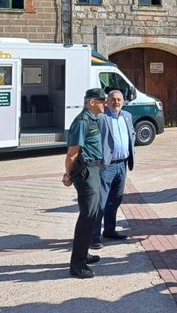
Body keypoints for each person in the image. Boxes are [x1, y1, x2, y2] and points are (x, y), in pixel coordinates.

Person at [63, 88, 107, 278]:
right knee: (87, 216)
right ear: (91, 102)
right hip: (86, 171)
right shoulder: (82, 121)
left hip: (94, 169)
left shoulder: (93, 119)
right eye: (101, 101)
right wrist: (68, 175)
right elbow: (72, 154)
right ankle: (77, 264)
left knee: (93, 212)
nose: (104, 103)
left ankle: (84, 254)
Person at [90, 90, 136, 250]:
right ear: (107, 101)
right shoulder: (102, 117)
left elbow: (132, 135)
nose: (116, 102)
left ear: (123, 101)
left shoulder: (127, 116)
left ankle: (109, 230)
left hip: (122, 164)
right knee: (101, 202)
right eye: (113, 99)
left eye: (119, 99)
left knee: (115, 200)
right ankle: (93, 236)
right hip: (106, 166)